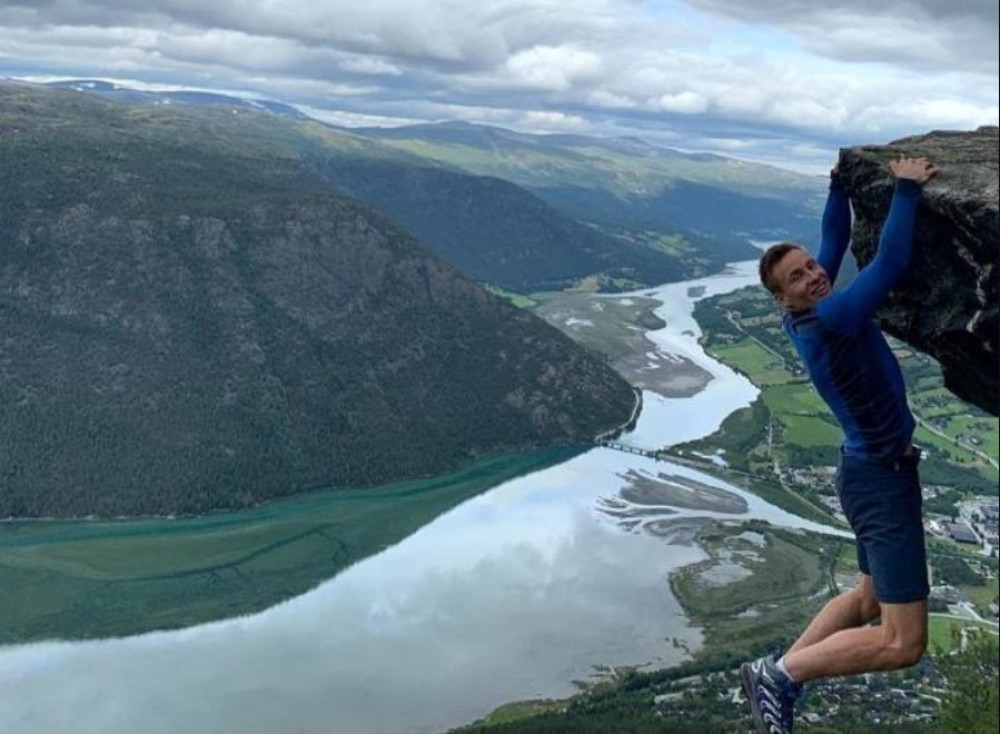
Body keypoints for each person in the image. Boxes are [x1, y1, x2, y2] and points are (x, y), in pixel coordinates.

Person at [740, 154, 939, 734]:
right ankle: (782, 675)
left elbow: (834, 241)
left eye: (809, 267)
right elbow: (890, 261)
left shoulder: (804, 313)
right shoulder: (834, 320)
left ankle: (773, 677)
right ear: (785, 298)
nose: (813, 275)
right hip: (880, 482)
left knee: (868, 601)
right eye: (798, 278)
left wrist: (838, 184)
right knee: (902, 642)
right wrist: (905, 189)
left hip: (865, 473)